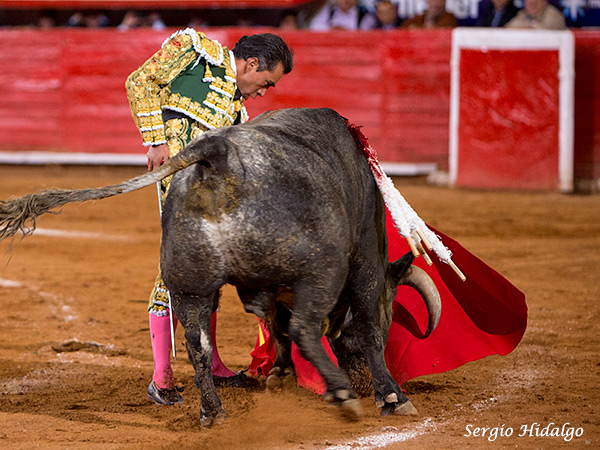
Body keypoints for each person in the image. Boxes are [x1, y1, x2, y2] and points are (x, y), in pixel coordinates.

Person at [126, 29, 293, 405]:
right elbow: (140, 80)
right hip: (177, 176)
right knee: (178, 267)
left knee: (212, 267)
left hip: (211, 190)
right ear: (251, 64)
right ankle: (162, 378)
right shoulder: (196, 51)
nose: (263, 92)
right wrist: (155, 139)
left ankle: (212, 366)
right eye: (265, 82)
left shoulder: (237, 108)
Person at [309, 0, 377, 31]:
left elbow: (367, 35)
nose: (345, 1)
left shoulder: (364, 16)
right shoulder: (329, 11)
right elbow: (314, 26)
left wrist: (344, 32)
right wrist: (331, 29)